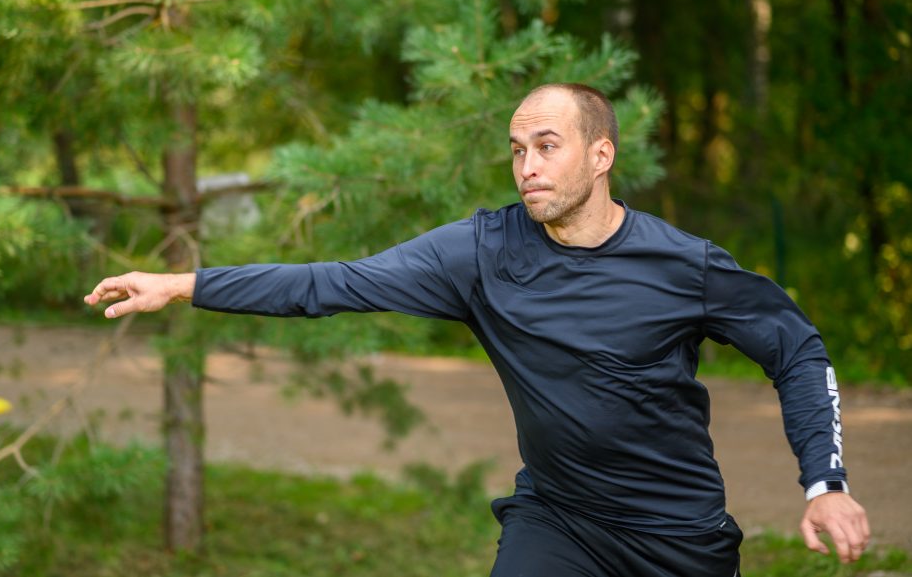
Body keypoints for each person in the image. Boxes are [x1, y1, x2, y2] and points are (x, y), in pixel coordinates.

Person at [85, 83, 870, 576]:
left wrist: (824, 482)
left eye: (547, 145)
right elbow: (335, 282)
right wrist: (184, 284)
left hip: (677, 537)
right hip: (559, 520)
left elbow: (795, 346)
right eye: (517, 149)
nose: (526, 164)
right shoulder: (482, 251)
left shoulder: (684, 264)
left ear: (602, 155)